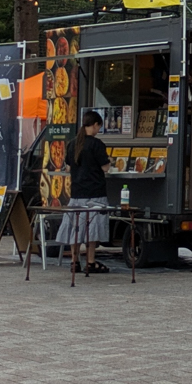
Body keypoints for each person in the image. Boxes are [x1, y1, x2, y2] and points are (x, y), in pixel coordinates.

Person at [59, 109, 112, 274]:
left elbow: (68, 167)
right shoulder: (97, 144)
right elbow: (105, 168)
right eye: (98, 126)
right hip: (95, 193)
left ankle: (75, 261)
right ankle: (90, 261)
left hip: (76, 193)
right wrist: (110, 161)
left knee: (76, 228)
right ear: (95, 125)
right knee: (92, 229)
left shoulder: (72, 143)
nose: (98, 130)